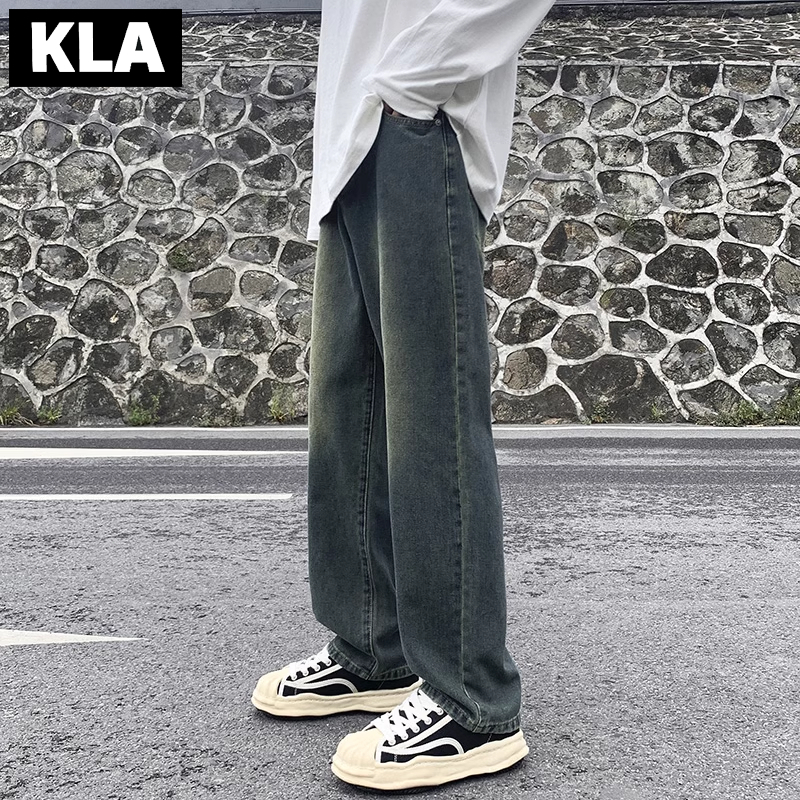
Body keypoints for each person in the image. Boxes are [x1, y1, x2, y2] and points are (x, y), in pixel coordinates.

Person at [251, 0, 556, 790]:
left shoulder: (413, 96)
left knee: (430, 416)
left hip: (419, 119)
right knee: (346, 406)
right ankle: (373, 646)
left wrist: (415, 80)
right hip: (355, 127)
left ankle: (470, 700)